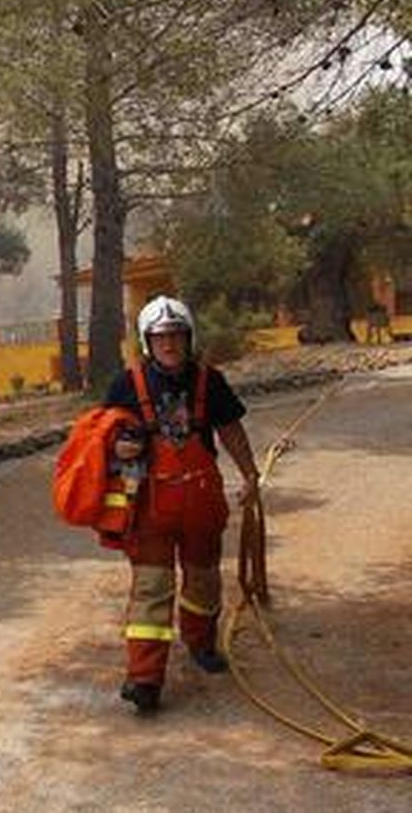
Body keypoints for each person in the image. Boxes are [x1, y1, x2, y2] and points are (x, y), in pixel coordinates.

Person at [103, 295, 262, 714]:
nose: (170, 344)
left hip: (200, 502)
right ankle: (144, 680)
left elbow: (230, 430)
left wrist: (249, 474)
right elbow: (101, 439)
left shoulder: (211, 382)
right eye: (161, 337)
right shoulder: (125, 386)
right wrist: (117, 444)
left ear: (188, 338)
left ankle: (201, 644)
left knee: (203, 580)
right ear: (147, 341)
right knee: (152, 590)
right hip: (150, 507)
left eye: (176, 335)